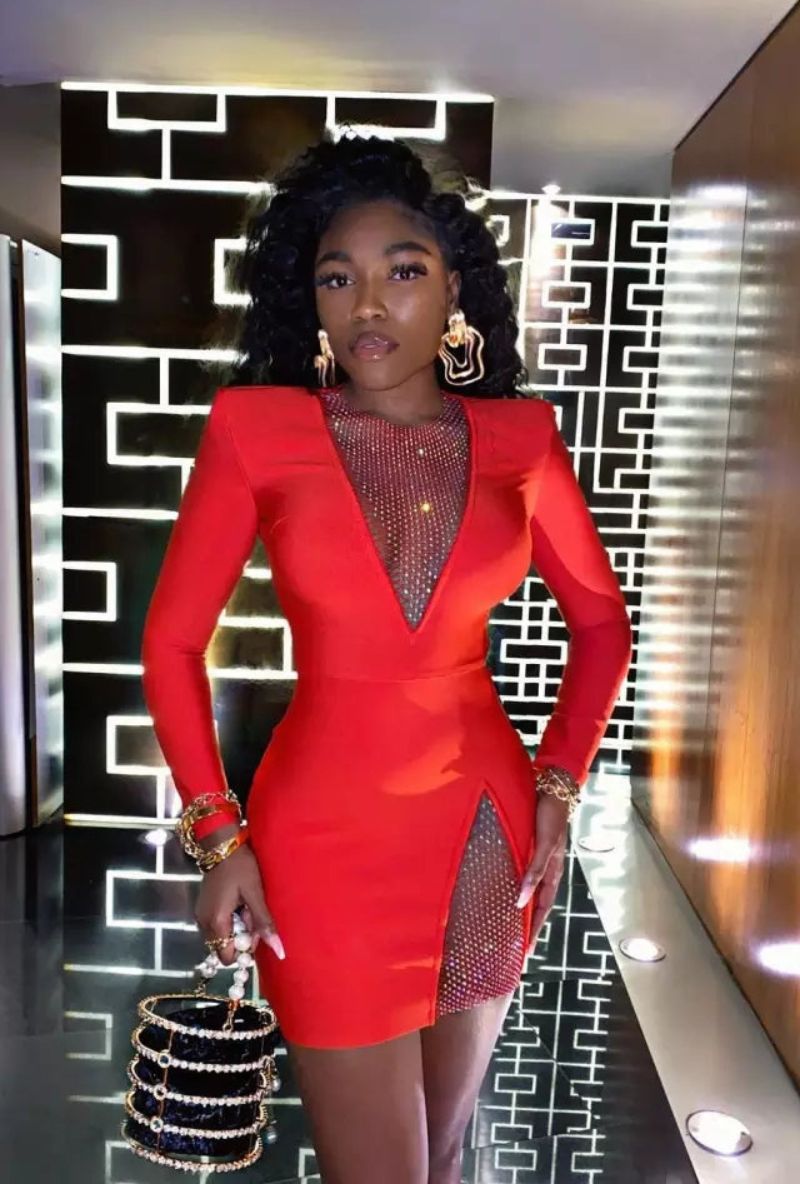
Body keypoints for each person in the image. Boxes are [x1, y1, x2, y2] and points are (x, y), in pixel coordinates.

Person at [140, 132, 633, 1184]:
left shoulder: (521, 441)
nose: (367, 303)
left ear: (453, 288)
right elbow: (171, 642)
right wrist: (218, 837)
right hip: (321, 849)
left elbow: (602, 626)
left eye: (402, 272)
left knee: (443, 1155)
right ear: (310, 300)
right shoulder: (257, 431)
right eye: (337, 278)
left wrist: (558, 780)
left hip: (485, 841)